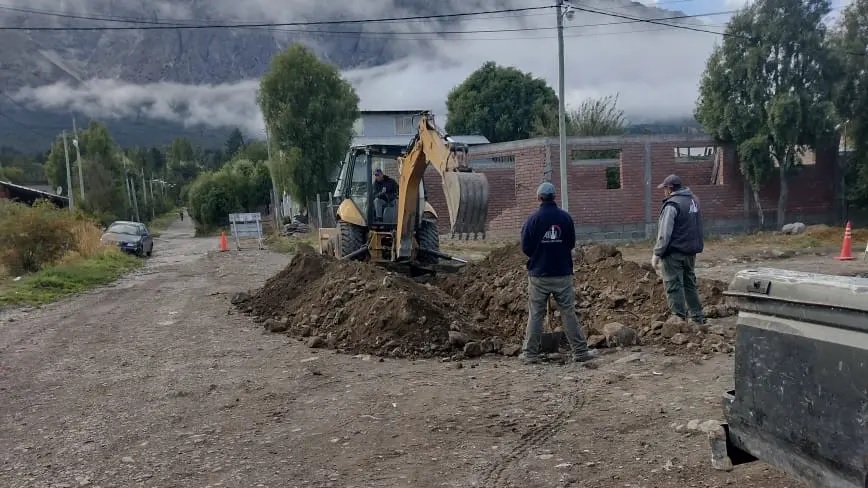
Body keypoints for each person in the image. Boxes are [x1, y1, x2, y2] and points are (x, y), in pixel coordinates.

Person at [519, 181, 598, 365]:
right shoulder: (565, 218)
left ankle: (530, 354)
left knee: (536, 314)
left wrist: (539, 255)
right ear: (555, 196)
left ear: (539, 198)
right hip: (562, 273)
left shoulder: (532, 220)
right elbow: (570, 243)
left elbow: (526, 247)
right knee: (568, 312)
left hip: (538, 274)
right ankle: (580, 352)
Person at [651, 174, 706, 324]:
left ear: (669, 188)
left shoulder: (672, 205)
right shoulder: (693, 201)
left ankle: (679, 320)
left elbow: (664, 232)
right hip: (690, 251)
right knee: (689, 284)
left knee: (673, 285)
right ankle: (697, 317)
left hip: (674, 253)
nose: (664, 192)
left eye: (664, 189)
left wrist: (657, 253)